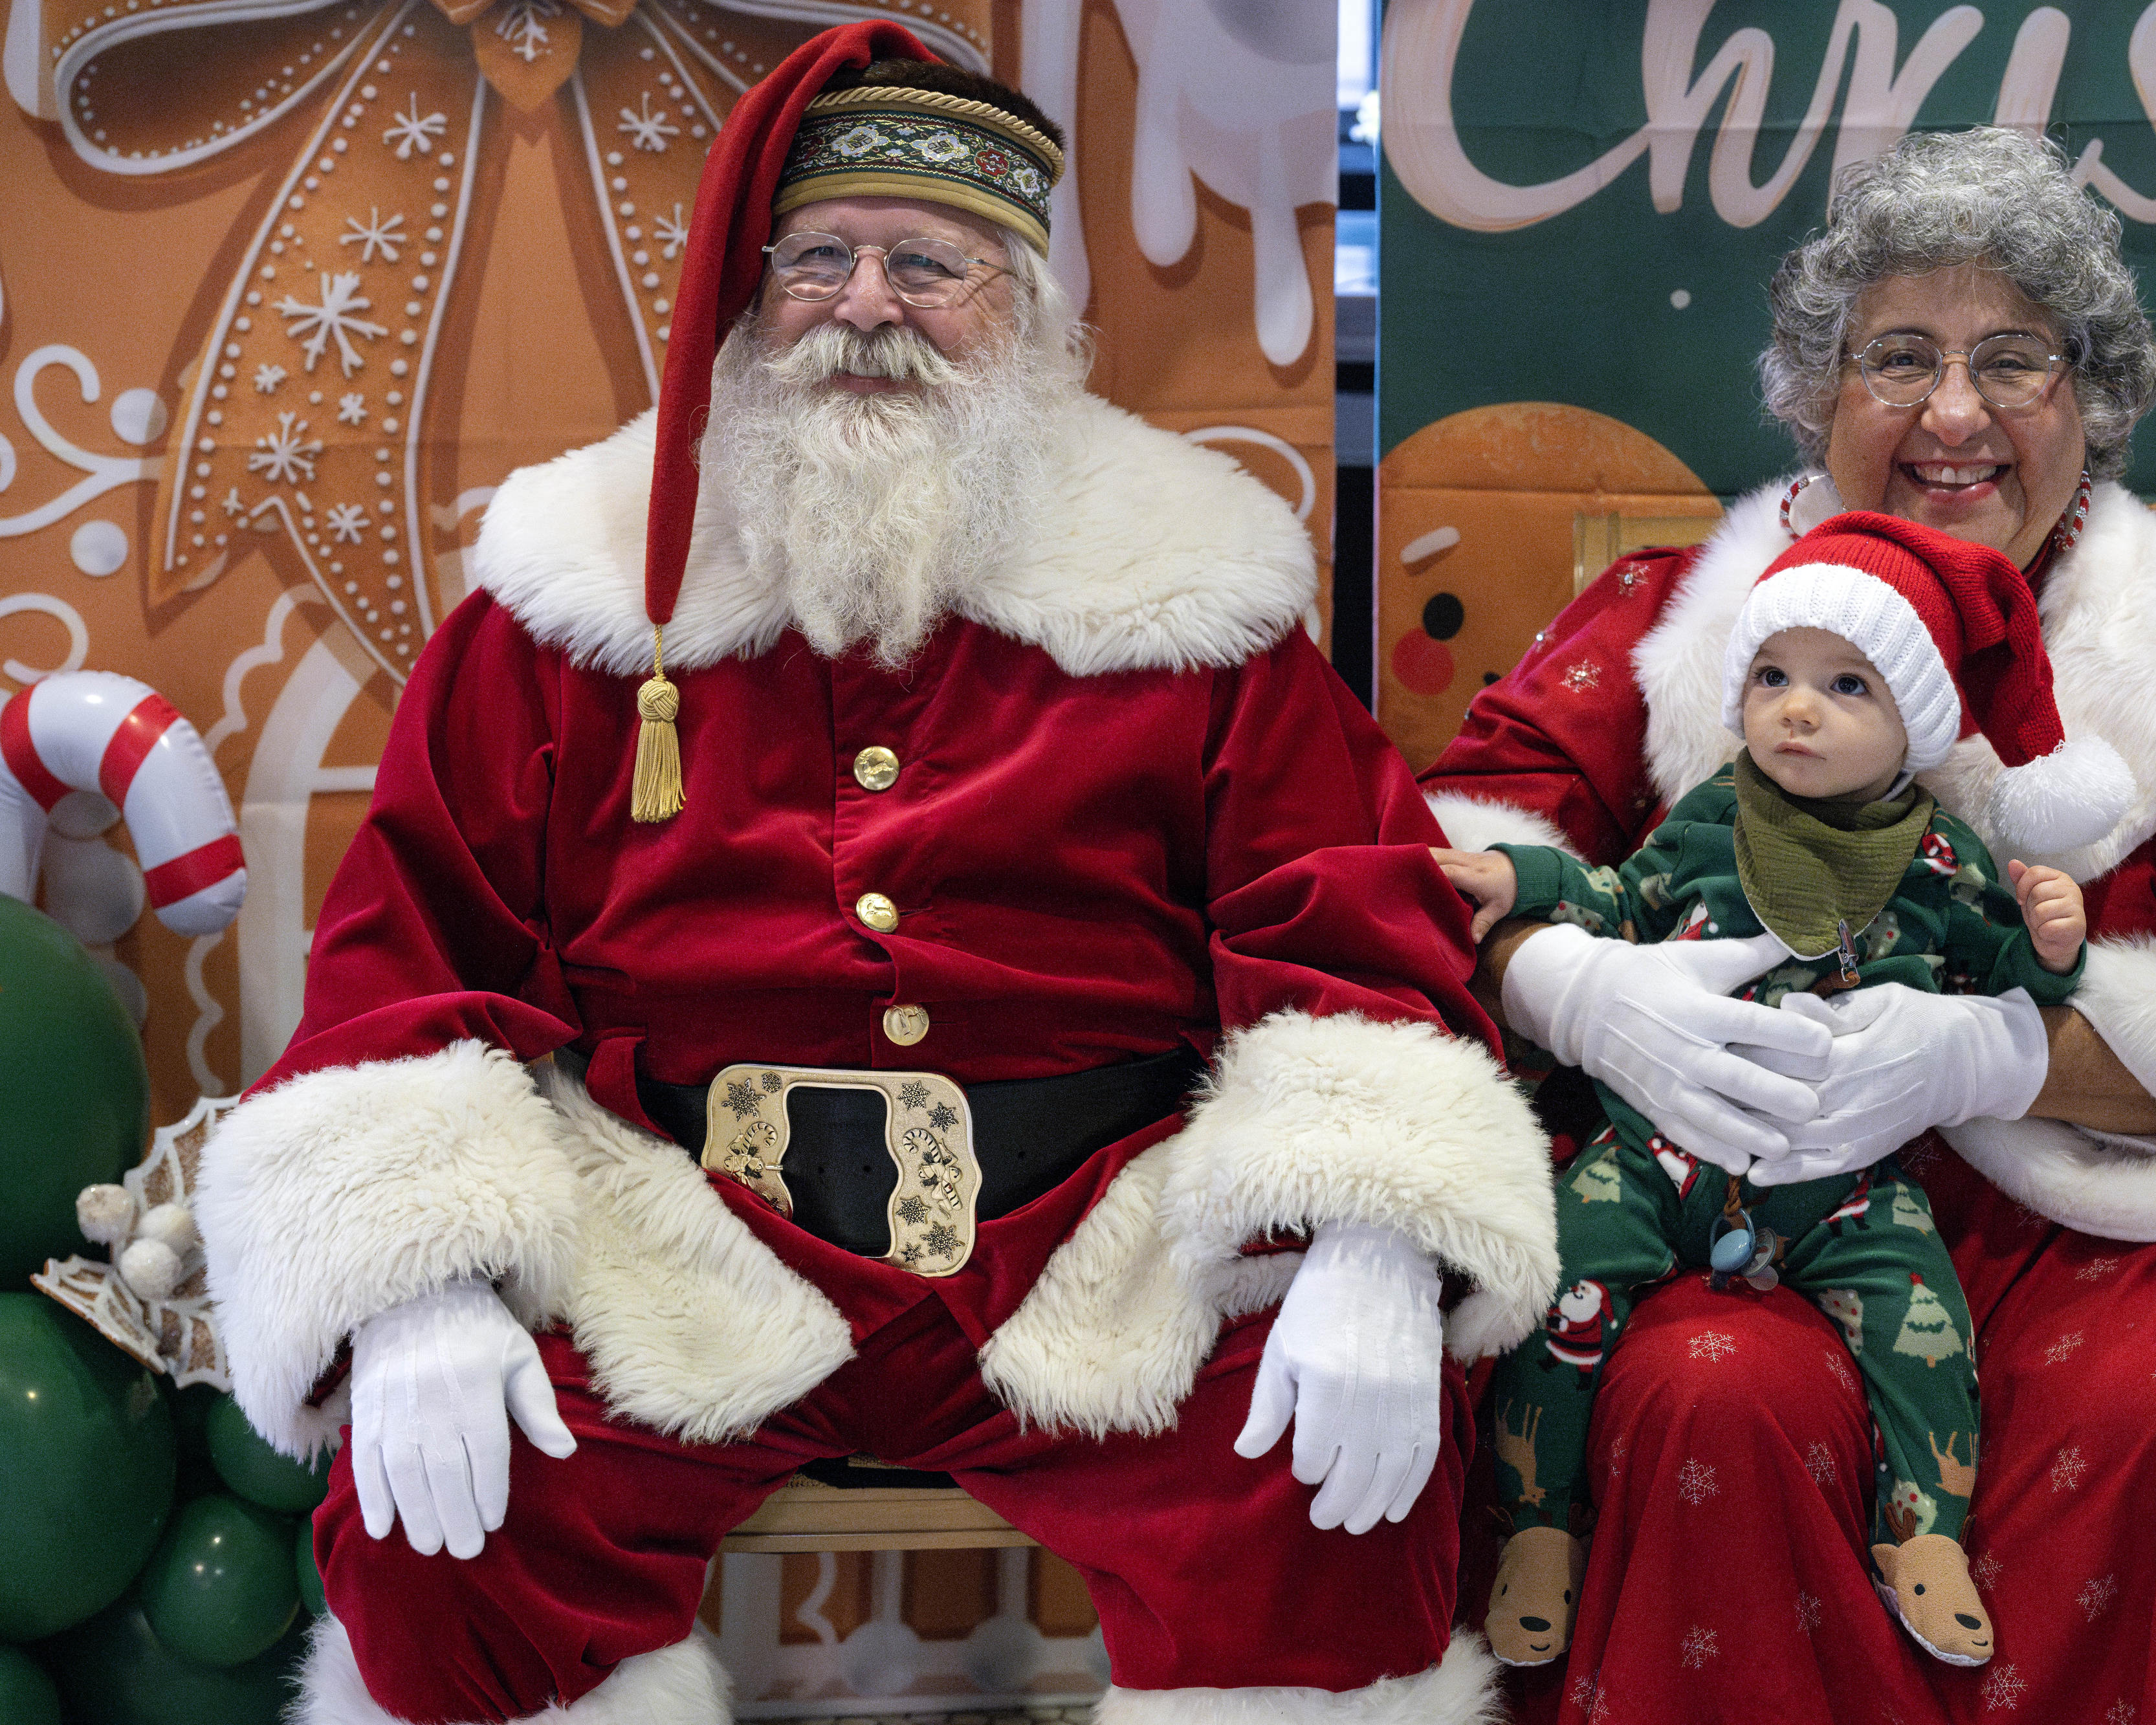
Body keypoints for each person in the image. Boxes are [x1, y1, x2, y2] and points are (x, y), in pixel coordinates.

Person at [194, 24, 1557, 1725]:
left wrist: (1370, 1236)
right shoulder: (570, 611)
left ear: (1036, 317)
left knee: (1320, 1515)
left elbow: (1345, 915)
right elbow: (415, 952)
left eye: (931, 264)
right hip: (673, 1238)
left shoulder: (1189, 608)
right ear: (747, 301)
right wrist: (412, 1285)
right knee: (445, 1537)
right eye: (818, 260)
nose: (864, 304)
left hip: (1094, 1251)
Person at [1421, 127, 2156, 1724]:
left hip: (2109, 1219)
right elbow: (1435, 868)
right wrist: (1569, 983)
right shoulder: (1669, 621)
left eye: (2013, 359)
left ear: (2094, 395)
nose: (1951, 414)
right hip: (1720, 1198)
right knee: (1705, 1393)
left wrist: (1989, 1055)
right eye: (1896, 358)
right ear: (1814, 387)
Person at [1442, 511, 2109, 1672]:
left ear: (1918, 723)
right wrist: (1524, 876)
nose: (1797, 708)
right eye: (1772, 676)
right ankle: (1537, 1524)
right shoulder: (1710, 815)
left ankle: (1928, 1534)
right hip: (1662, 1150)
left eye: (1847, 684)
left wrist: (2052, 941)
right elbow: (1615, 896)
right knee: (1558, 1285)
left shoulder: (1944, 858)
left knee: (1925, 1325)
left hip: (1843, 1180)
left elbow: (2012, 977)